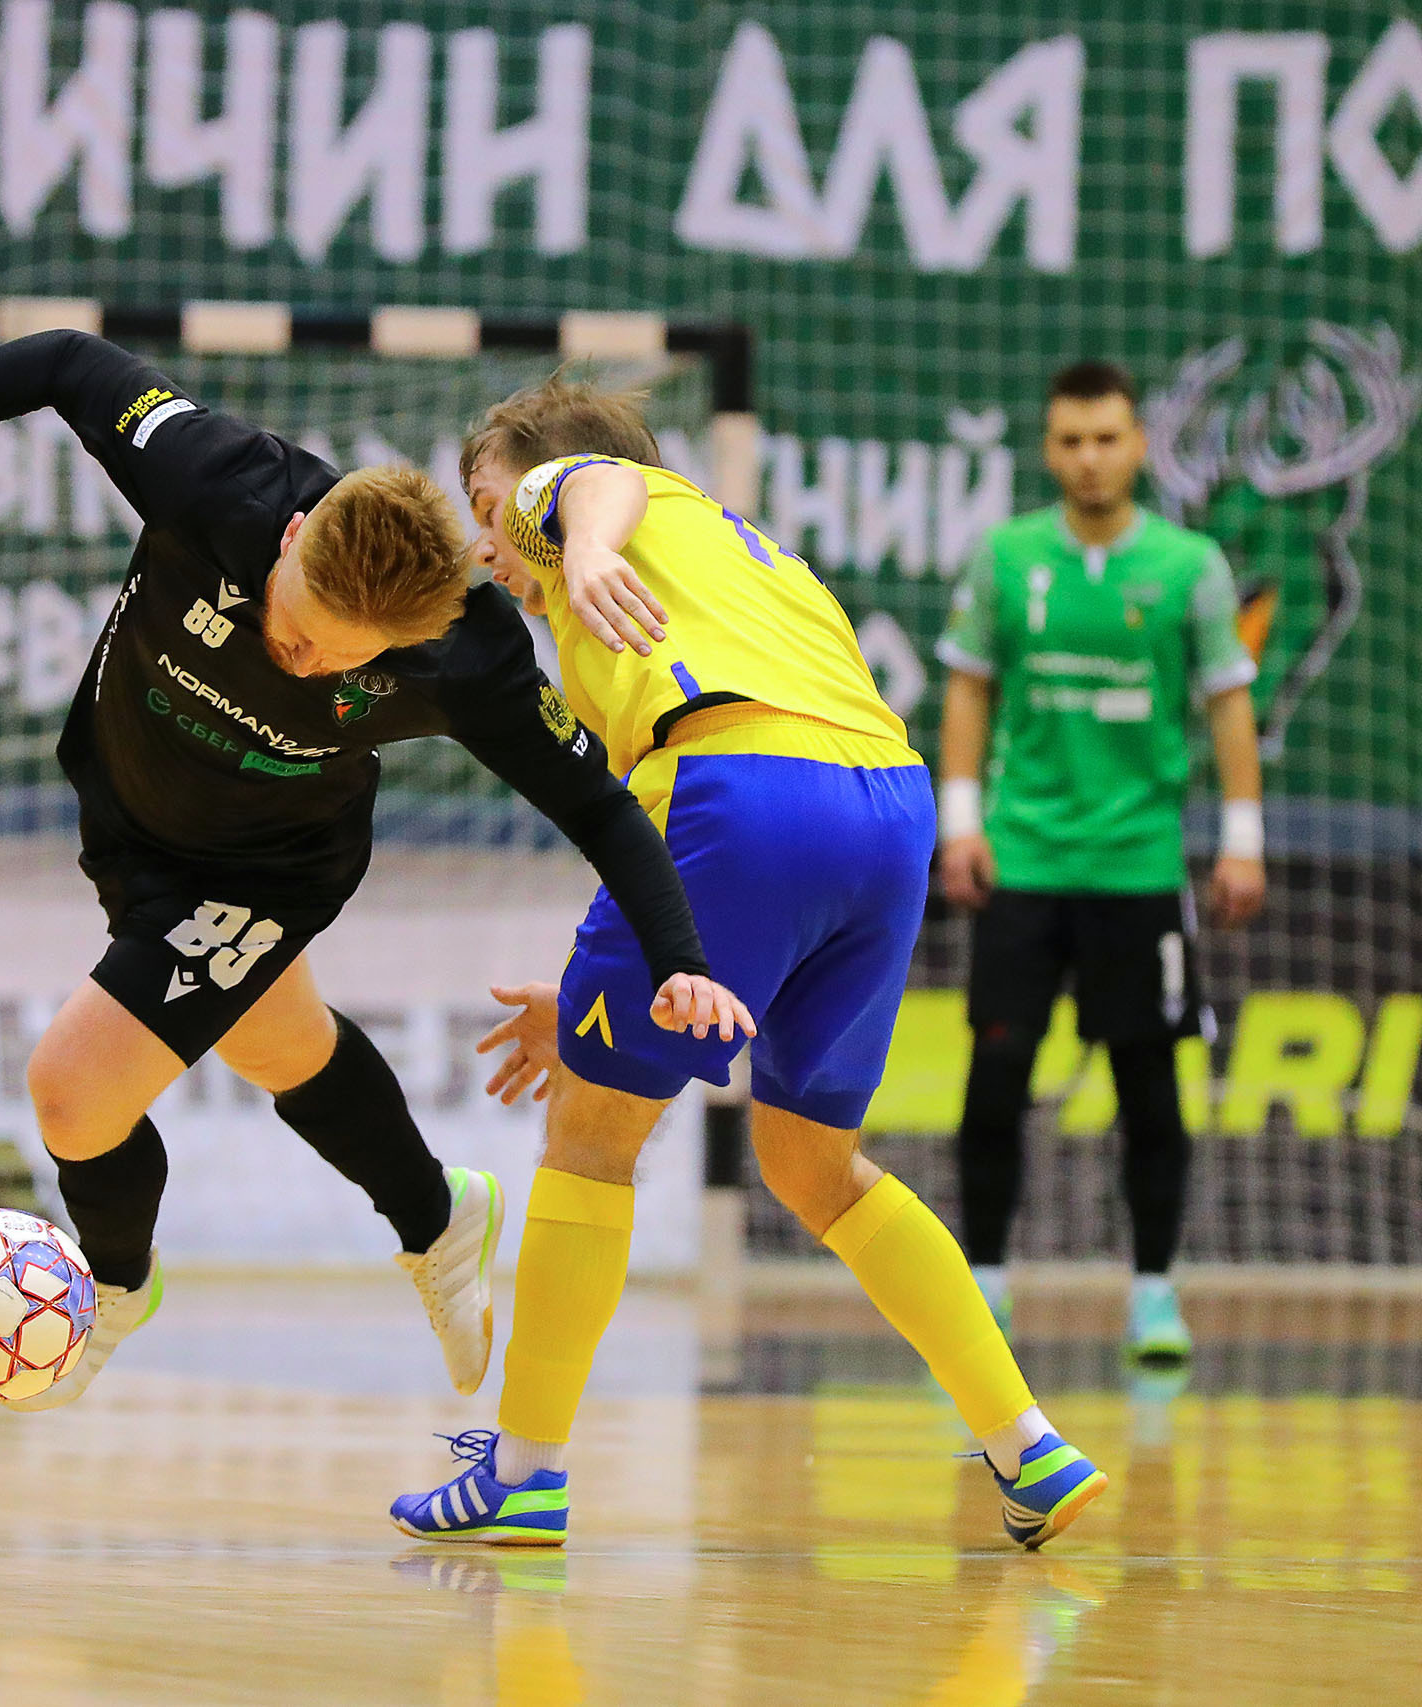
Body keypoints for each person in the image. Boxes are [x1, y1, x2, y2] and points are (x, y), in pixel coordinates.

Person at [0, 334, 751, 1410]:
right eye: (294, 618)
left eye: (329, 656)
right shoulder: (220, 478)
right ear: (297, 533)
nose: (293, 653)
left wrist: (679, 961)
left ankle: (115, 1285)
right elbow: (66, 363)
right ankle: (437, 1213)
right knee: (282, 1047)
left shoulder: (466, 657)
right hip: (128, 815)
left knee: (73, 1095)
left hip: (267, 870)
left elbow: (600, 808)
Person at [390, 376, 1105, 1550]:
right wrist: (591, 995)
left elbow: (591, 484)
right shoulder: (740, 554)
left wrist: (577, 542)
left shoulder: (586, 506)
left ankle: (521, 1473)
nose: (487, 541)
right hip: (886, 814)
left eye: (489, 504)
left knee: (588, 1136)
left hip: (743, 787)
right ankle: (1028, 1445)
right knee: (813, 1165)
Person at [935, 360, 1266, 1362]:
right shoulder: (1005, 557)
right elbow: (968, 689)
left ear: (1138, 445)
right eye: (1071, 440)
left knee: (1149, 1089)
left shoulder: (1189, 566)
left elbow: (1227, 703)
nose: (1089, 458)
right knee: (996, 1078)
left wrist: (1241, 840)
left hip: (1138, 867)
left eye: (1107, 438)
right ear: (1048, 449)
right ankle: (984, 1285)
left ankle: (1154, 1296)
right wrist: (962, 822)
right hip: (1025, 860)